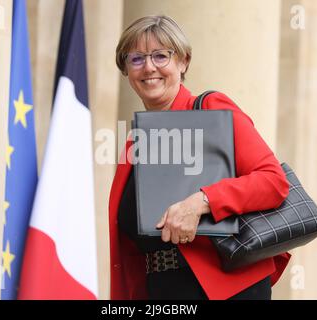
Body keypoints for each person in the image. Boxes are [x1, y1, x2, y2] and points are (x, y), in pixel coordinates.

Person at [108, 15, 291, 300]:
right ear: (126, 70)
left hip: (224, 289)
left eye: (161, 56)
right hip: (160, 291)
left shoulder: (210, 109)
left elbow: (273, 181)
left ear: (183, 62)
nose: (149, 67)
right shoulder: (135, 142)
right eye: (136, 58)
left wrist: (202, 202)